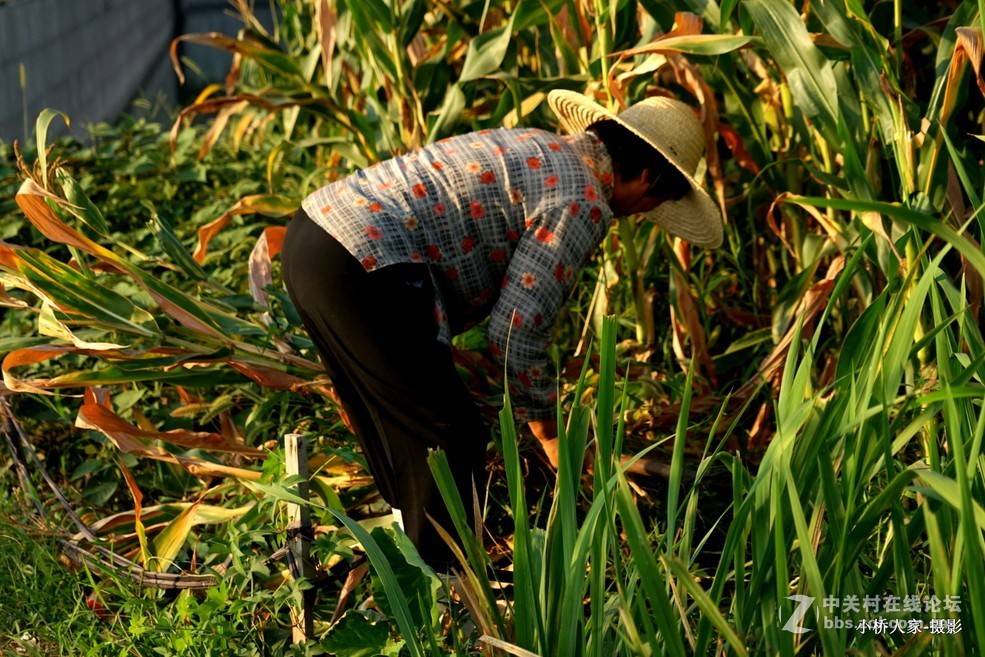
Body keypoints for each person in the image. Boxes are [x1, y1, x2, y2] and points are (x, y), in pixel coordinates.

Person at [281, 90, 723, 568]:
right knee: (450, 435)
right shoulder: (583, 198)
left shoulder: (542, 146)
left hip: (312, 236)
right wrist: (554, 436)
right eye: (653, 202)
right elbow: (516, 332)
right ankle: (443, 604)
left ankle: (405, 577)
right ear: (647, 177)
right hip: (365, 259)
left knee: (406, 434)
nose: (638, 214)